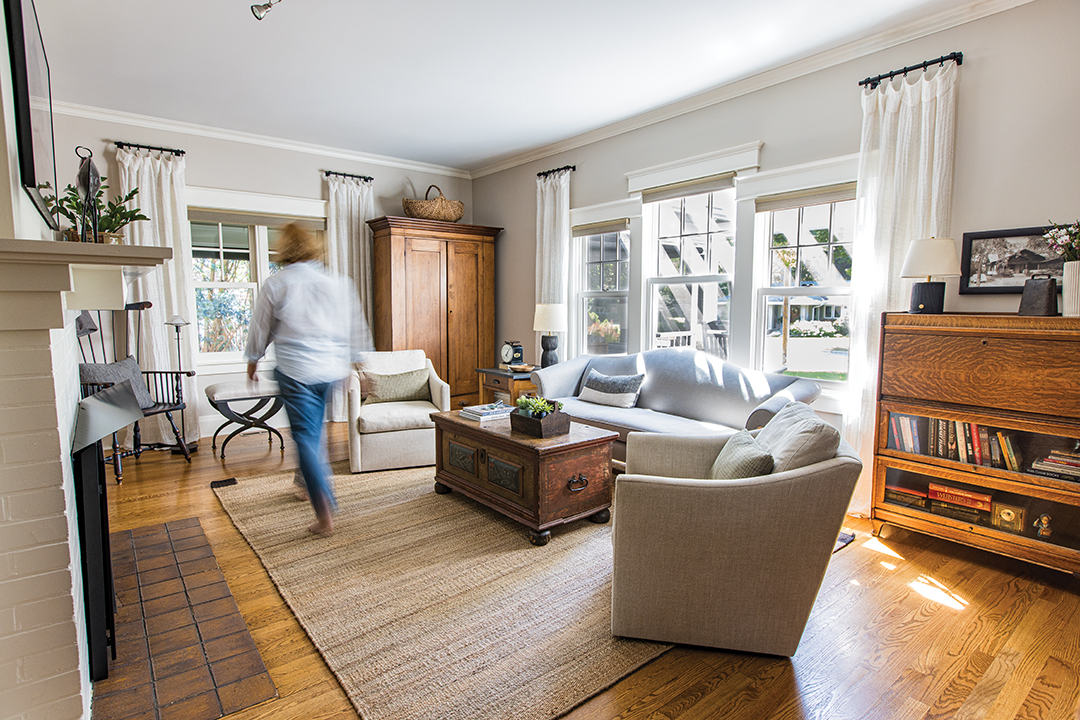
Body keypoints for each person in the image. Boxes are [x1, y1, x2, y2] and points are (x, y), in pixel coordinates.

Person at [244, 223, 372, 536]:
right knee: (315, 439)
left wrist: (252, 360)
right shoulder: (337, 282)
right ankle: (311, 487)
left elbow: (260, 328)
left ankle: (325, 515)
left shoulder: (277, 284)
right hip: (330, 371)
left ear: (284, 249)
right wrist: (360, 367)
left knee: (306, 439)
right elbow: (354, 325)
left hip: (296, 373)